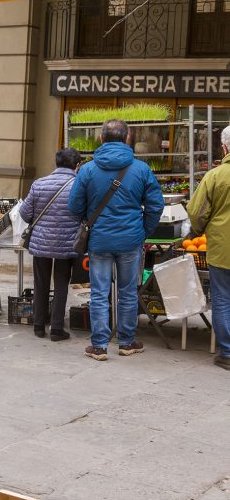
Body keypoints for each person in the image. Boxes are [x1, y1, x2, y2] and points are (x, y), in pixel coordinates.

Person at [68, 119, 164, 361]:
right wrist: (143, 230)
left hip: (99, 239)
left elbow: (74, 206)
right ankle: (127, 341)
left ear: (101, 138)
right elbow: (156, 205)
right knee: (128, 292)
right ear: (127, 138)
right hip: (130, 240)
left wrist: (90, 220)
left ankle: (99, 346)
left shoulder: (88, 169)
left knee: (99, 293)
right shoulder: (141, 169)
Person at [19, 148, 82, 342]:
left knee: (41, 282)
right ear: (76, 166)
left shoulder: (39, 183)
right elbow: (83, 213)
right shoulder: (78, 185)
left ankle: (38, 326)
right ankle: (56, 328)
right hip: (67, 243)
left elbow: (24, 212)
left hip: (41, 243)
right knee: (61, 283)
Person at [187, 126, 230, 370]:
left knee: (223, 299)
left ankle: (228, 352)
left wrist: (199, 228)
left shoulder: (215, 176)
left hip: (222, 249)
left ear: (224, 148)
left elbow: (196, 211)